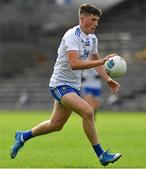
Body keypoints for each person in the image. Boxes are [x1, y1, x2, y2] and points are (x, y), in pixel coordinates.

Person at [10, 4, 122, 166]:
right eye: (93, 19)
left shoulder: (92, 39)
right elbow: (74, 64)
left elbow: (95, 61)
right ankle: (101, 155)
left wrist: (107, 78)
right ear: (82, 19)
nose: (96, 23)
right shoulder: (72, 35)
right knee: (88, 112)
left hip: (73, 87)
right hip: (59, 84)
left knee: (56, 125)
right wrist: (102, 61)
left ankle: (23, 136)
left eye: (97, 20)